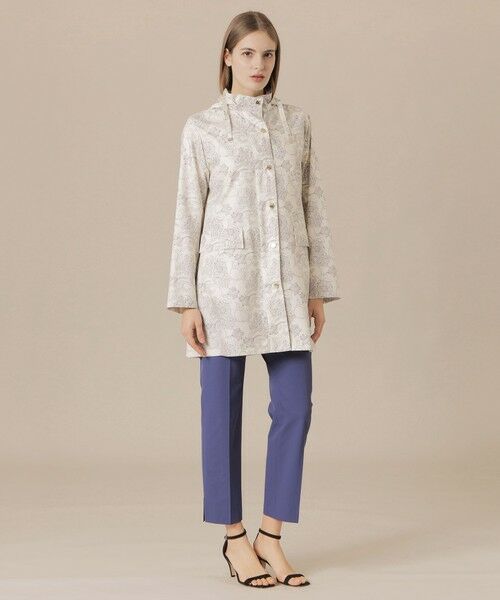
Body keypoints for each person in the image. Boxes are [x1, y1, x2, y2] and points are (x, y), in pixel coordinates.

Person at [166, 10, 341, 588]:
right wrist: (186, 301)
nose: (258, 64)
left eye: (267, 54)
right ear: (227, 57)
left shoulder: (296, 124)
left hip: (286, 286)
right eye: (247, 54)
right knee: (221, 413)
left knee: (295, 407)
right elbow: (187, 215)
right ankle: (234, 537)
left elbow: (313, 206)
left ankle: (272, 535)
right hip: (222, 288)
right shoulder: (202, 128)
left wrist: (317, 287)